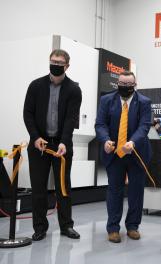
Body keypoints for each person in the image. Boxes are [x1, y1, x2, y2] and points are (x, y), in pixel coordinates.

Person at [23, 49, 82, 241]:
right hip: (39, 145)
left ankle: (66, 226)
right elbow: (28, 114)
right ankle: (40, 227)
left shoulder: (74, 89)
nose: (55, 65)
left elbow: (71, 119)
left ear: (67, 66)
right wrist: (35, 137)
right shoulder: (35, 85)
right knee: (38, 188)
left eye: (59, 63)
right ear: (49, 62)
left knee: (63, 187)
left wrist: (64, 141)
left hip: (61, 146)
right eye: (53, 61)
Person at [95, 71, 152, 243]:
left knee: (136, 191)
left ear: (135, 84)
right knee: (114, 191)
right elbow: (100, 124)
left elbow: (144, 126)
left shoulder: (144, 102)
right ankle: (113, 228)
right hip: (114, 153)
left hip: (136, 153)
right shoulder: (106, 100)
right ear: (117, 83)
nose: (125, 87)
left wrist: (133, 142)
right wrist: (105, 140)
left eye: (129, 84)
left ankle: (133, 226)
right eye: (122, 83)